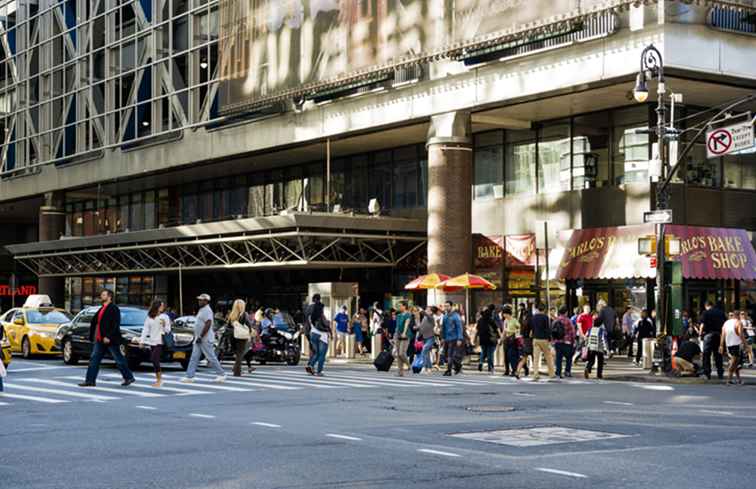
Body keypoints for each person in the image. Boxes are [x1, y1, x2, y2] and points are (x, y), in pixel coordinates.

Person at [79, 289, 135, 387]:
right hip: (100, 339)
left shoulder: (113, 308)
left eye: (103, 295)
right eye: (101, 294)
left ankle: (128, 377)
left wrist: (108, 336)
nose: (101, 296)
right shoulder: (102, 308)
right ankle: (90, 381)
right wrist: (93, 336)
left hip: (110, 339)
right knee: (94, 359)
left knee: (118, 359)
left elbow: (115, 324)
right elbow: (96, 322)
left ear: (109, 297)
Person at [181, 294, 226, 383]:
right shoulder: (202, 310)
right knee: (194, 357)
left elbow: (208, 323)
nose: (199, 301)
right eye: (199, 300)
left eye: (201, 300)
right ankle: (189, 376)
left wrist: (201, 336)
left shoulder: (207, 310)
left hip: (204, 339)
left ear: (206, 301)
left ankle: (221, 374)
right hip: (200, 338)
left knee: (211, 357)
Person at [136, 300, 170, 387]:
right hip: (152, 342)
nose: (163, 307)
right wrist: (141, 341)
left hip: (160, 341)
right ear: (157, 306)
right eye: (161, 306)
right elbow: (145, 330)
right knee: (154, 360)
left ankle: (159, 380)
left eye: (163, 306)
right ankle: (158, 379)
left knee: (154, 359)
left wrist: (164, 324)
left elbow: (168, 330)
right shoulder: (149, 317)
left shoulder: (165, 317)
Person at [699, 301, 726, 380]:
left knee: (706, 355)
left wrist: (700, 335)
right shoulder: (720, 312)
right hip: (718, 335)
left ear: (706, 306)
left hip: (708, 335)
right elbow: (724, 325)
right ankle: (720, 373)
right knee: (718, 355)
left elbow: (702, 325)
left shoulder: (705, 313)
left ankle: (707, 373)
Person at [306, 294, 331, 376]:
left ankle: (310, 365)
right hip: (322, 334)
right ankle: (319, 371)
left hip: (312, 333)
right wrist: (329, 329)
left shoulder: (308, 308)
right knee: (322, 354)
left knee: (316, 353)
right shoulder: (320, 310)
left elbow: (307, 322)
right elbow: (324, 322)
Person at [227, 299, 254, 377]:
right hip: (241, 336)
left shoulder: (231, 314)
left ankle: (236, 369)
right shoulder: (244, 314)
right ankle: (237, 372)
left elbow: (228, 326)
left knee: (238, 354)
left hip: (233, 336)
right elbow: (249, 325)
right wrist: (249, 333)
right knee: (240, 354)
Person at [529, 303, 555, 381]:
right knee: (548, 356)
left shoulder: (533, 317)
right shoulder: (545, 317)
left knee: (536, 358)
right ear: (544, 309)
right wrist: (550, 339)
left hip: (535, 339)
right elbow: (548, 329)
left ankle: (535, 374)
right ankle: (551, 373)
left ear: (537, 309)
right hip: (544, 339)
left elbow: (532, 328)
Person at [720, 311, 745, 385]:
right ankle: (728, 380)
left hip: (729, 345)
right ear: (738, 315)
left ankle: (739, 379)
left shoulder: (726, 323)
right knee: (734, 362)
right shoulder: (738, 322)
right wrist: (746, 345)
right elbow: (741, 334)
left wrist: (721, 345)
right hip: (736, 345)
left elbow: (723, 334)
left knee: (736, 363)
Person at [442, 301, 464, 376]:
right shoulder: (445, 316)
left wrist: (460, 339)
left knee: (450, 355)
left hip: (454, 338)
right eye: (445, 306)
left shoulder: (456, 316)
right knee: (446, 355)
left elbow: (459, 328)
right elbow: (443, 328)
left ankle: (449, 370)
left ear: (451, 306)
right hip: (447, 338)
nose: (446, 308)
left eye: (447, 306)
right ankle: (458, 366)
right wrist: (443, 338)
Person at [475, 304, 499, 373]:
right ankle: (490, 367)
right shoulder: (491, 320)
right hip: (491, 339)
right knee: (490, 354)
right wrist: (499, 337)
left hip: (482, 339)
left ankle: (481, 363)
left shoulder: (480, 320)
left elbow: (477, 330)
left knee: (483, 352)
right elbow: (497, 329)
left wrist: (475, 338)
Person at [553, 305, 576, 378]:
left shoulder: (555, 320)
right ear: (566, 312)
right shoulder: (568, 320)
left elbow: (552, 331)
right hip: (567, 342)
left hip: (557, 342)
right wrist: (573, 340)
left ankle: (558, 372)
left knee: (558, 358)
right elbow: (572, 332)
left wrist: (553, 341)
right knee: (569, 357)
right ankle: (567, 371)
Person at [392, 302, 412, 377]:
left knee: (401, 353)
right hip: (398, 334)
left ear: (404, 306)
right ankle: (400, 372)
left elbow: (406, 324)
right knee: (398, 354)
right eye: (398, 306)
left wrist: (404, 333)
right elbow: (397, 327)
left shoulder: (408, 314)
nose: (399, 307)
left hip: (405, 335)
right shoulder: (398, 315)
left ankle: (409, 365)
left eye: (400, 306)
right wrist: (394, 336)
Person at [415, 306, 436, 374]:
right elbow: (422, 326)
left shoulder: (431, 318)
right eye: (426, 309)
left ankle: (424, 367)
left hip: (431, 337)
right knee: (426, 353)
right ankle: (429, 368)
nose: (426, 310)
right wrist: (417, 328)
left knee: (424, 350)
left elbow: (426, 315)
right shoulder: (425, 318)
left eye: (427, 310)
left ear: (431, 312)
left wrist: (422, 311)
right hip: (424, 337)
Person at [502, 305, 520, 377]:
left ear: (507, 313)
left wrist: (512, 331)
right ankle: (507, 370)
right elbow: (504, 330)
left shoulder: (514, 320)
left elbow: (519, 328)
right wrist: (502, 339)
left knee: (511, 355)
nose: (503, 315)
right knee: (506, 355)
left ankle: (514, 370)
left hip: (512, 339)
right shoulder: (505, 321)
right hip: (506, 339)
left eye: (504, 313)